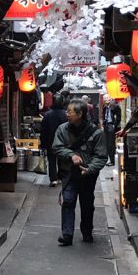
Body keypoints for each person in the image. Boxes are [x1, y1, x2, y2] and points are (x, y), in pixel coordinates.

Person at [52, 98, 109, 246]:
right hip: (69, 173)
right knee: (68, 201)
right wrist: (71, 155)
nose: (67, 113)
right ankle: (67, 234)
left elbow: (101, 156)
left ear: (80, 113)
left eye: (70, 111)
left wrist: (90, 169)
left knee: (87, 204)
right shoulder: (62, 129)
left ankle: (87, 232)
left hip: (87, 175)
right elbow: (57, 147)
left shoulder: (96, 133)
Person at [39, 94, 69, 187]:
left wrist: (43, 144)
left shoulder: (48, 114)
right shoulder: (66, 114)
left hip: (50, 141)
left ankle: (53, 179)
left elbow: (43, 130)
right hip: (63, 141)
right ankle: (60, 177)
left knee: (51, 160)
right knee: (61, 160)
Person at [102, 94, 122, 164]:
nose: (106, 99)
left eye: (107, 98)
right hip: (106, 125)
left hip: (111, 125)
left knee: (111, 144)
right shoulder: (104, 106)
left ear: (110, 98)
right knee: (106, 143)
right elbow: (104, 115)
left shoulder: (115, 106)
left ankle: (112, 160)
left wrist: (114, 125)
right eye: (104, 98)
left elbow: (119, 117)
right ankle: (108, 159)